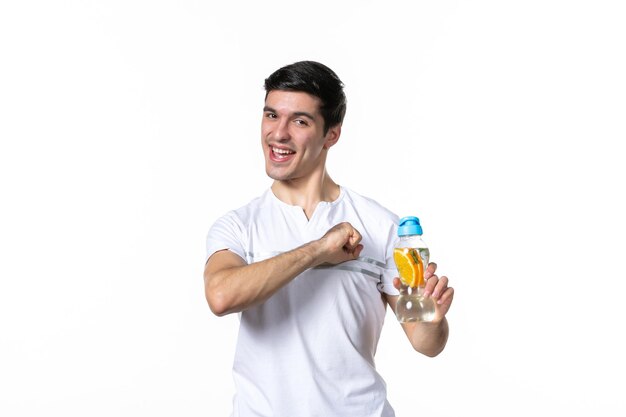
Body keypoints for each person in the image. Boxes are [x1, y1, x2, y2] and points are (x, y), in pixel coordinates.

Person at [203, 60, 454, 417]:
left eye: (300, 121)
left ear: (332, 134)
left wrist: (433, 319)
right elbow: (221, 296)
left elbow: (427, 344)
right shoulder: (239, 225)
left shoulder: (381, 226)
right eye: (272, 115)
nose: (279, 134)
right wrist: (318, 249)